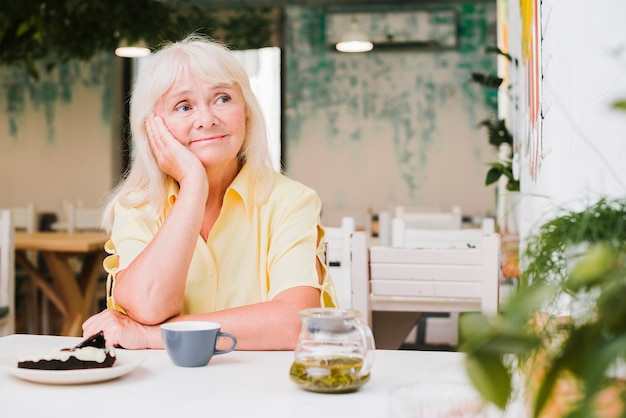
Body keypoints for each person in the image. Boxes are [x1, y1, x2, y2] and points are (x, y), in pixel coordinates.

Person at [82, 34, 336, 350]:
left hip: (262, 390)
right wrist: (193, 185)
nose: (206, 120)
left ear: (246, 111)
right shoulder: (136, 208)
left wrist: (151, 336)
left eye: (222, 99)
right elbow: (149, 306)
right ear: (153, 127)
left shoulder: (291, 201)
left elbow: (294, 324)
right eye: (184, 106)